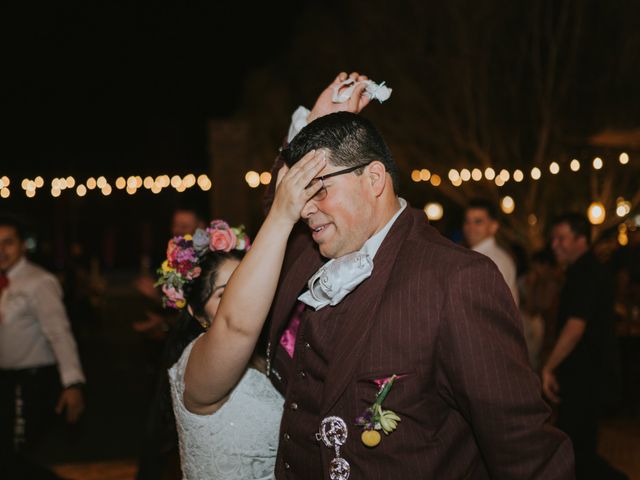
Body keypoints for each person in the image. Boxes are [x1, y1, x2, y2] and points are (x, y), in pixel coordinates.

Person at [263, 71, 573, 479]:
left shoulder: (458, 281)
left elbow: (526, 452)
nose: (304, 208)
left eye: (319, 189)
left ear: (374, 179)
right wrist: (311, 125)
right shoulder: (310, 251)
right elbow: (277, 214)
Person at [164, 149, 327, 479]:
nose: (245, 302)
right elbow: (236, 325)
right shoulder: (194, 367)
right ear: (197, 313)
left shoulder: (277, 353)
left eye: (248, 288)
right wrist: (280, 215)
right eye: (226, 295)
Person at [0, 215, 85, 479]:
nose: (1, 251)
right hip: (5, 382)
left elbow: (60, 333)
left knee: (13, 455)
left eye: (8, 243)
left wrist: (73, 384)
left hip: (32, 382)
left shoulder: (39, 281)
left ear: (23, 245)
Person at [543, 213, 627, 480]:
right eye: (553, 239)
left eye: (561, 238)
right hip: (585, 374)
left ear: (581, 240)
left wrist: (548, 367)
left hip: (587, 376)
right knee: (577, 449)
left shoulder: (585, 272)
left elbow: (575, 328)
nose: (554, 245)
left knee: (575, 452)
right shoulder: (584, 270)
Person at [463, 198, 519, 304]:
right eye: (467, 221)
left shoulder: (495, 261)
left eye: (478, 222)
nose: (471, 227)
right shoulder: (474, 255)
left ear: (494, 226)